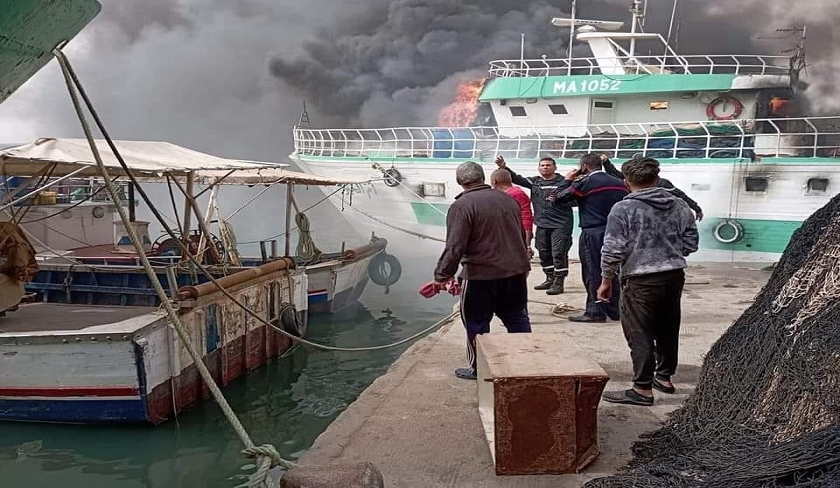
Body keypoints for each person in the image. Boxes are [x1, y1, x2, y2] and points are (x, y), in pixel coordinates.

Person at [598, 157, 699, 406]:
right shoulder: (679, 205)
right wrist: (670, 254)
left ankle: (641, 388)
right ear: (657, 177)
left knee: (639, 331)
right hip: (674, 276)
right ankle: (664, 377)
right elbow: (691, 243)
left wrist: (606, 279)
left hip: (640, 279)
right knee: (668, 326)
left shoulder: (624, 209)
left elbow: (613, 248)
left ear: (626, 182)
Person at [433, 162, 532, 380]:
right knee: (517, 318)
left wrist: (442, 275)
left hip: (480, 275)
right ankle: (525, 364)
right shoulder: (509, 200)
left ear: (460, 181)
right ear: (484, 178)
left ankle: (480, 369)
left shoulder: (462, 206)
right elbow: (518, 233)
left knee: (476, 323)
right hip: (515, 272)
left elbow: (455, 246)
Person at [548, 153, 628, 323]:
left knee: (592, 271)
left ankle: (595, 311)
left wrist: (568, 179)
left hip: (593, 232)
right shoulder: (618, 182)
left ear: (584, 166)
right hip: (616, 231)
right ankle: (614, 310)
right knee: (611, 269)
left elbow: (555, 198)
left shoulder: (585, 182)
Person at [495, 155, 573, 295]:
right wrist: (504, 167)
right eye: (542, 165)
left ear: (555, 167)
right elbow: (517, 178)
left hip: (560, 225)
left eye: (548, 165)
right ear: (539, 168)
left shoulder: (564, 182)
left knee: (559, 253)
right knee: (543, 251)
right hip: (542, 224)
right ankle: (549, 278)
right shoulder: (535, 182)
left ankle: (559, 282)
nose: (545, 167)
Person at [602, 155, 704, 221]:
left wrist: (606, 162)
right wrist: (696, 208)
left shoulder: (622, 208)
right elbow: (681, 196)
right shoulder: (664, 184)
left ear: (628, 183)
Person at [490, 168, 534, 248]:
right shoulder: (501, 194)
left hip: (514, 236)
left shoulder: (516, 194)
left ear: (494, 181)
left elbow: (526, 217)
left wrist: (527, 244)